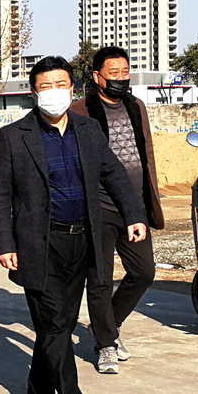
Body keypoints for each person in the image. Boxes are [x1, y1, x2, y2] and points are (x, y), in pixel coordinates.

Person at [0, 56, 146, 394]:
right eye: (45, 86)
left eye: (60, 85)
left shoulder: (88, 130)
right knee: (56, 323)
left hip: (82, 241)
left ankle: (38, 391)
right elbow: (0, 194)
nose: (54, 92)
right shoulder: (14, 136)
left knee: (57, 325)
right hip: (37, 244)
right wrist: (4, 243)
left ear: (72, 89)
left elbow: (113, 174)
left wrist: (134, 215)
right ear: (33, 93)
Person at [70, 46, 164, 374]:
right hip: (98, 206)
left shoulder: (136, 106)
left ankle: (109, 323)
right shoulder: (79, 111)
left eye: (125, 72)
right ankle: (106, 344)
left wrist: (151, 196)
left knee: (144, 272)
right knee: (99, 279)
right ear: (98, 77)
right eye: (114, 74)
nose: (121, 79)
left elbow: (146, 150)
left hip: (134, 206)